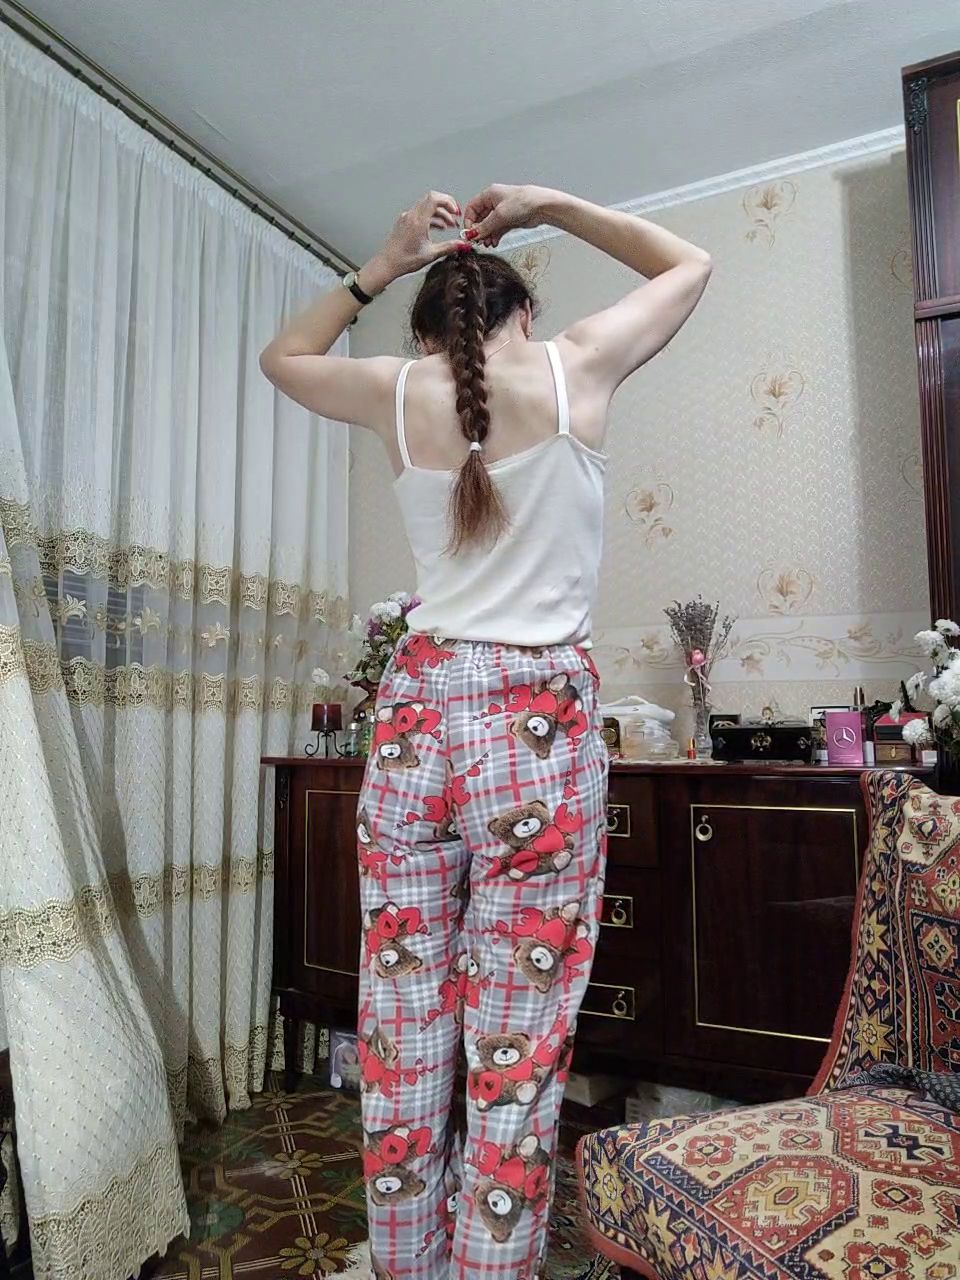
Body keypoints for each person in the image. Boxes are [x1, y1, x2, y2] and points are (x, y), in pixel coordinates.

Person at [260, 184, 711, 1280]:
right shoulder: (573, 366)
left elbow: (283, 357)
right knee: (518, 1039)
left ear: (429, 333)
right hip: (533, 724)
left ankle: (404, 1262)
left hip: (416, 716)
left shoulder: (393, 390)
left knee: (402, 1020)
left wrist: (382, 259)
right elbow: (688, 264)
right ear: (522, 313)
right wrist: (551, 203)